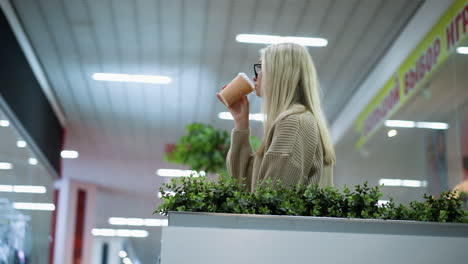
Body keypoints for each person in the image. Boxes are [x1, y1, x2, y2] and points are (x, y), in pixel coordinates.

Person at [216, 43, 336, 192]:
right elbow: (245, 186)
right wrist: (241, 122)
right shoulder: (295, 120)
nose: (255, 76)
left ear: (278, 72)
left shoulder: (294, 123)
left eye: (260, 67)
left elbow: (269, 201)